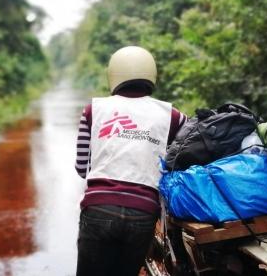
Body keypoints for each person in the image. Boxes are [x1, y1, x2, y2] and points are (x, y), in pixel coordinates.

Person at [74, 46, 186, 276]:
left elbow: (81, 167)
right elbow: (185, 154)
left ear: (113, 75)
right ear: (150, 75)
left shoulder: (93, 109)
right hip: (143, 212)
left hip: (98, 208)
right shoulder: (173, 116)